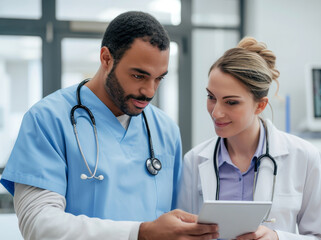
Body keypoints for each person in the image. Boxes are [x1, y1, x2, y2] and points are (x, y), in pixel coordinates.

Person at [0, 11, 218, 240]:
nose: (150, 91)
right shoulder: (47, 120)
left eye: (159, 78)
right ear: (106, 59)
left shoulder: (165, 130)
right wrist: (139, 233)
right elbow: (38, 224)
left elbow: (177, 219)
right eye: (138, 76)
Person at [177, 36, 321, 239]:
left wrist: (278, 238)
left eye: (231, 102)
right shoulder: (195, 160)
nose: (216, 112)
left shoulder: (305, 157)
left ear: (260, 105)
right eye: (211, 97)